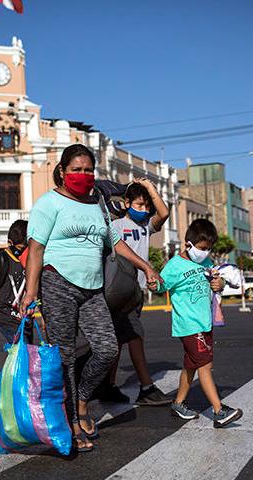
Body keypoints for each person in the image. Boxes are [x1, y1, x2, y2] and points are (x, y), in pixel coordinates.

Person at [20, 144, 161, 453]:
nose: (83, 175)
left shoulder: (97, 201)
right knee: (66, 356)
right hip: (57, 283)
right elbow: (36, 250)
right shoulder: (48, 203)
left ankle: (82, 401)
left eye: (88, 170)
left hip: (93, 287)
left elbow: (115, 241)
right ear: (62, 171)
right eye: (76, 170)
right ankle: (70, 422)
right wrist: (31, 293)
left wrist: (147, 266)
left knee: (108, 349)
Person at [149, 218, 243, 428]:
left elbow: (215, 285)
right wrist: (153, 283)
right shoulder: (175, 265)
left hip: (205, 323)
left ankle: (179, 403)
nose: (205, 253)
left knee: (191, 365)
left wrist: (220, 283)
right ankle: (219, 411)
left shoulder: (207, 263)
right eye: (202, 248)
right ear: (188, 244)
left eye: (209, 249)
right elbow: (160, 287)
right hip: (189, 325)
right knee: (205, 366)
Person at [104, 179, 171, 405]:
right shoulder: (117, 226)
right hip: (121, 290)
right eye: (138, 205)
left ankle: (109, 386)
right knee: (135, 336)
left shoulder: (145, 227)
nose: (143, 210)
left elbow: (163, 213)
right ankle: (146, 387)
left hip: (136, 291)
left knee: (119, 340)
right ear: (126, 203)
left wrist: (151, 189)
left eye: (145, 206)